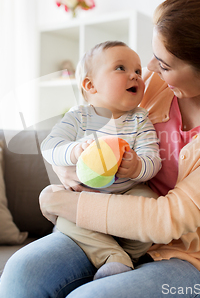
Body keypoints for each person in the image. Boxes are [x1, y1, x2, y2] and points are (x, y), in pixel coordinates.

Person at [0, 0, 200, 298]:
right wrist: (69, 167)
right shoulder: (154, 85)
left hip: (186, 256)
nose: (151, 69)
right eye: (155, 57)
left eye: (165, 64)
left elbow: (167, 221)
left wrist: (63, 201)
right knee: (24, 271)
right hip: (109, 232)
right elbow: (86, 126)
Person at [40, 41, 161, 280]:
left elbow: (153, 160)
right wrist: (75, 151)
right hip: (85, 198)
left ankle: (128, 255)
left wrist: (137, 167)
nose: (135, 76)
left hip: (126, 197)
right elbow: (50, 147)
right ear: (90, 85)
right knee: (61, 210)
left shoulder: (140, 120)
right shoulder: (78, 117)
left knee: (151, 202)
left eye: (137, 71)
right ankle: (114, 258)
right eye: (121, 68)